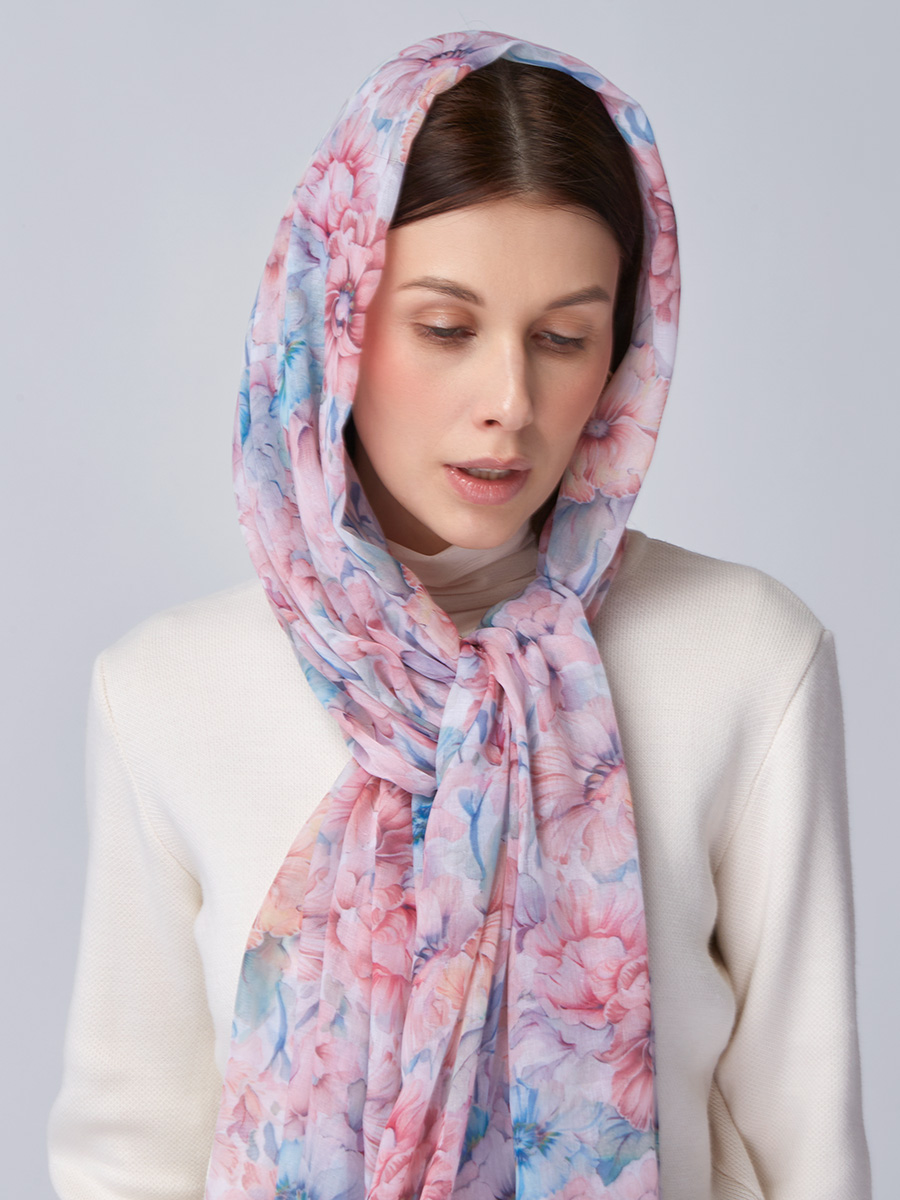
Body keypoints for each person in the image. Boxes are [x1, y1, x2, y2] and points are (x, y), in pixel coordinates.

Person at [47, 30, 870, 1200]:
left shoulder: (744, 660)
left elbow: (807, 1146)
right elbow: (126, 1157)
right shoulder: (166, 693)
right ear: (335, 321)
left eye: (564, 339)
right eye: (445, 328)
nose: (509, 401)